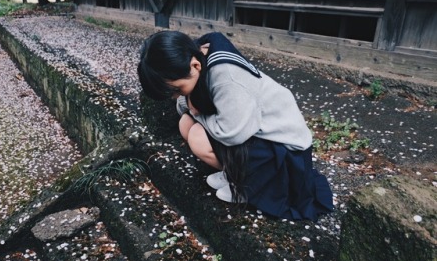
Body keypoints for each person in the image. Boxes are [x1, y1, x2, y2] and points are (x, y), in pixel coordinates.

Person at [137, 30, 333, 221]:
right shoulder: (197, 55)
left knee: (197, 135)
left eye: (177, 90)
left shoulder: (228, 78)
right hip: (256, 132)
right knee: (186, 123)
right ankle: (235, 173)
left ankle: (248, 186)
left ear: (195, 65)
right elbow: (190, 106)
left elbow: (231, 133)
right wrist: (190, 107)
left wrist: (197, 113)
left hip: (284, 150)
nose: (176, 97)